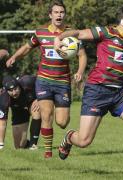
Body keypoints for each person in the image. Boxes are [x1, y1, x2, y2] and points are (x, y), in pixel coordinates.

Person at [54, 5, 123, 173]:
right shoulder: (106, 32)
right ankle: (69, 138)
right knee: (84, 141)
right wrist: (59, 38)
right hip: (97, 91)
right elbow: (78, 33)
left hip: (119, 93)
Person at [6, 1, 87, 158]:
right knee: (46, 115)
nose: (59, 15)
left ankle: (68, 136)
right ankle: (48, 153)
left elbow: (82, 55)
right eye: (56, 12)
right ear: (50, 15)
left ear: (65, 14)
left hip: (63, 82)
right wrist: (15, 56)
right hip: (44, 80)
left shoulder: (72, 34)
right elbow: (27, 48)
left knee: (62, 122)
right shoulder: (41, 33)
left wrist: (80, 71)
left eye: (62, 12)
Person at [0, 75, 41, 149]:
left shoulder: (27, 81)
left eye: (16, 89)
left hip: (31, 102)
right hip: (18, 110)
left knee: (37, 111)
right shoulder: (3, 98)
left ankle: (33, 145)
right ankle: (27, 144)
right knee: (19, 146)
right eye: (11, 91)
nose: (14, 93)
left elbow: (42, 83)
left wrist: (39, 98)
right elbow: (2, 122)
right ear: (6, 91)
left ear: (19, 85)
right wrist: (1, 144)